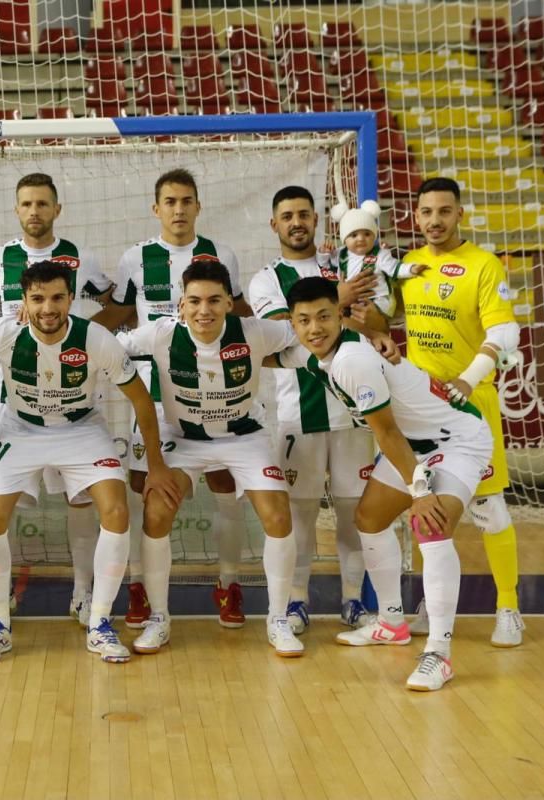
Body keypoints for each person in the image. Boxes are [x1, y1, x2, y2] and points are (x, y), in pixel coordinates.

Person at [279, 276, 495, 691]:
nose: (315, 328)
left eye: (324, 316)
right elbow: (273, 355)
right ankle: (392, 622)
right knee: (370, 519)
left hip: (457, 440)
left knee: (429, 525)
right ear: (293, 323)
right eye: (303, 320)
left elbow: (388, 434)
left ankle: (439, 654)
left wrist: (421, 491)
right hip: (415, 443)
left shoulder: (352, 361)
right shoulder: (320, 353)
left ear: (339, 315)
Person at [0, 261, 180, 664]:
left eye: (58, 298)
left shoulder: (95, 339)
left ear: (72, 298)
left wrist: (157, 465)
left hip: (81, 429)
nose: (48, 308)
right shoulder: (1, 332)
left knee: (115, 510)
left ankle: (99, 624)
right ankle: (0, 626)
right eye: (38, 298)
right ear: (23, 301)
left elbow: (141, 400)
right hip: (21, 429)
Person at [117, 261, 309, 656]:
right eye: (195, 301)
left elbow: (307, 332)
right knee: (156, 511)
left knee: (277, 514)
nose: (204, 310)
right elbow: (105, 347)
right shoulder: (160, 334)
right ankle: (159, 618)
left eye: (214, 301)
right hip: (183, 439)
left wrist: (364, 336)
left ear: (228, 303)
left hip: (243, 437)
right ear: (181, 305)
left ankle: (277, 618)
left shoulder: (254, 331)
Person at [105, 167, 253, 630]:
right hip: (149, 395)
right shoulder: (135, 258)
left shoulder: (220, 254)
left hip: (215, 395)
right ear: (156, 208)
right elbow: (120, 312)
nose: (179, 209)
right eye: (170, 201)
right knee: (141, 492)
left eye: (186, 200)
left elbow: (242, 313)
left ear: (198, 206)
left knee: (226, 488)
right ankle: (138, 587)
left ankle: (229, 584)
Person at [0, 172, 120, 627]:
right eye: (26, 204)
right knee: (6, 500)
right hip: (15, 398)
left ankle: (83, 591)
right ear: (16, 209)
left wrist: (87, 336)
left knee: (81, 499)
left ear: (57, 209)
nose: (34, 211)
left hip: (73, 394)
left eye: (43, 203)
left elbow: (113, 303)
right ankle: (0, 598)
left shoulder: (81, 257)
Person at [247, 185, 381, 635]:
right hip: (297, 414)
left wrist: (355, 304)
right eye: (287, 216)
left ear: (317, 220)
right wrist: (337, 299)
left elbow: (377, 320)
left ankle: (353, 600)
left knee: (353, 512)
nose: (296, 222)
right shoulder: (266, 280)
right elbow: (281, 332)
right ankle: (297, 601)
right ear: (275, 224)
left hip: (354, 412)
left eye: (303, 214)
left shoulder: (345, 262)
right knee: (299, 514)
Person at [399, 177, 524, 647]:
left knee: (489, 509)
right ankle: (433, 603)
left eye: (444, 211)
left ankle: (508, 605)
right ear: (415, 216)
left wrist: (467, 380)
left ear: (460, 215)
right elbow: (382, 316)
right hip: (420, 409)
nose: (435, 220)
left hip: (472, 406)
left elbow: (504, 332)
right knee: (423, 505)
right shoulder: (408, 265)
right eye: (426, 211)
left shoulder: (484, 265)